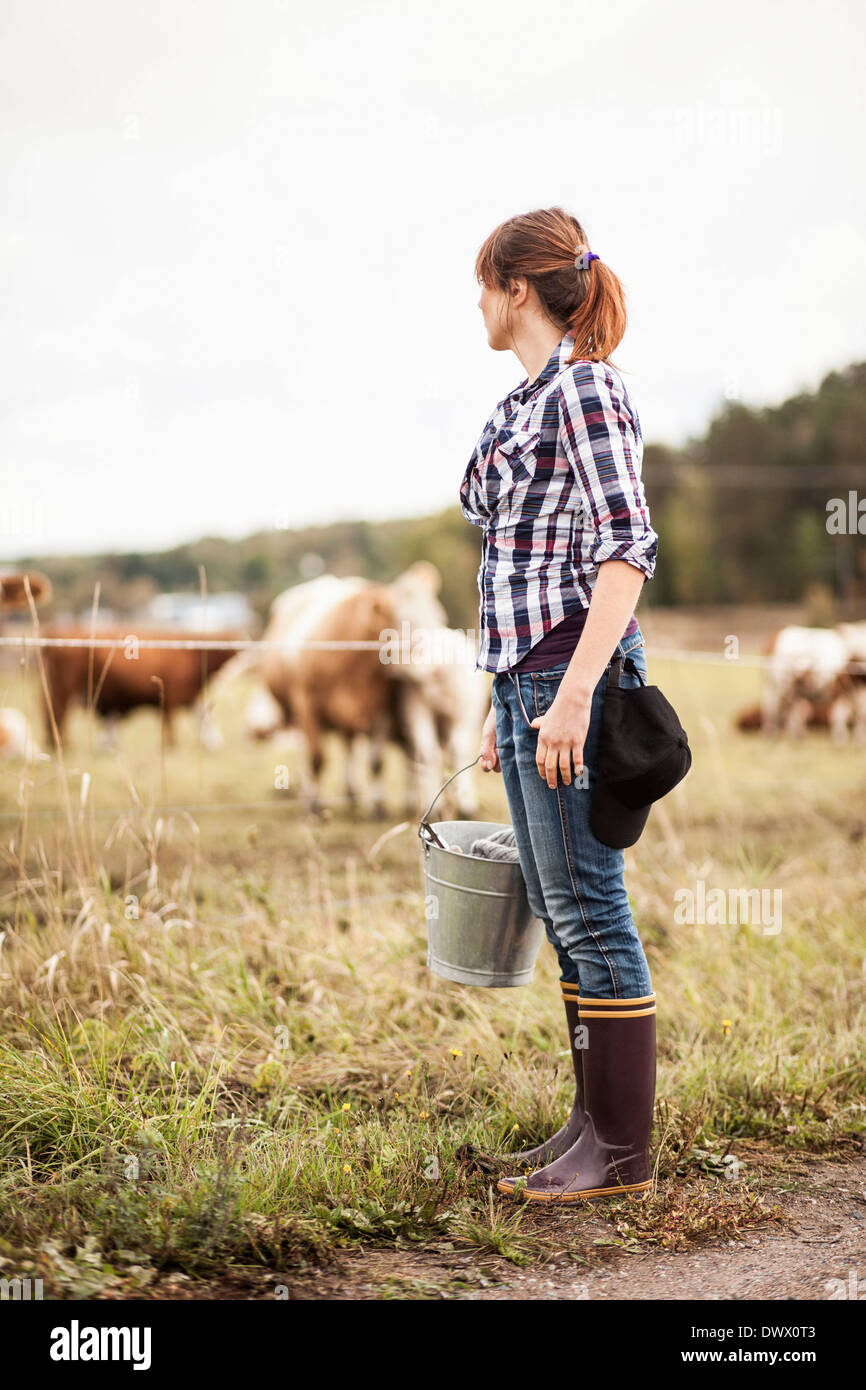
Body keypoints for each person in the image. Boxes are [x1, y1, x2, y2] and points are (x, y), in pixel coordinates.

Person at [459, 207, 658, 1202]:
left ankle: (620, 1152)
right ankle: (590, 1125)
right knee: (556, 906)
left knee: (588, 906)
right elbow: (508, 554)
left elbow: (626, 547)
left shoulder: (584, 391)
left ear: (517, 290)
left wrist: (573, 693)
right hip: (520, 681)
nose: (477, 306)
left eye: (483, 287)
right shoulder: (524, 399)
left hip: (564, 678)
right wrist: (498, 708)